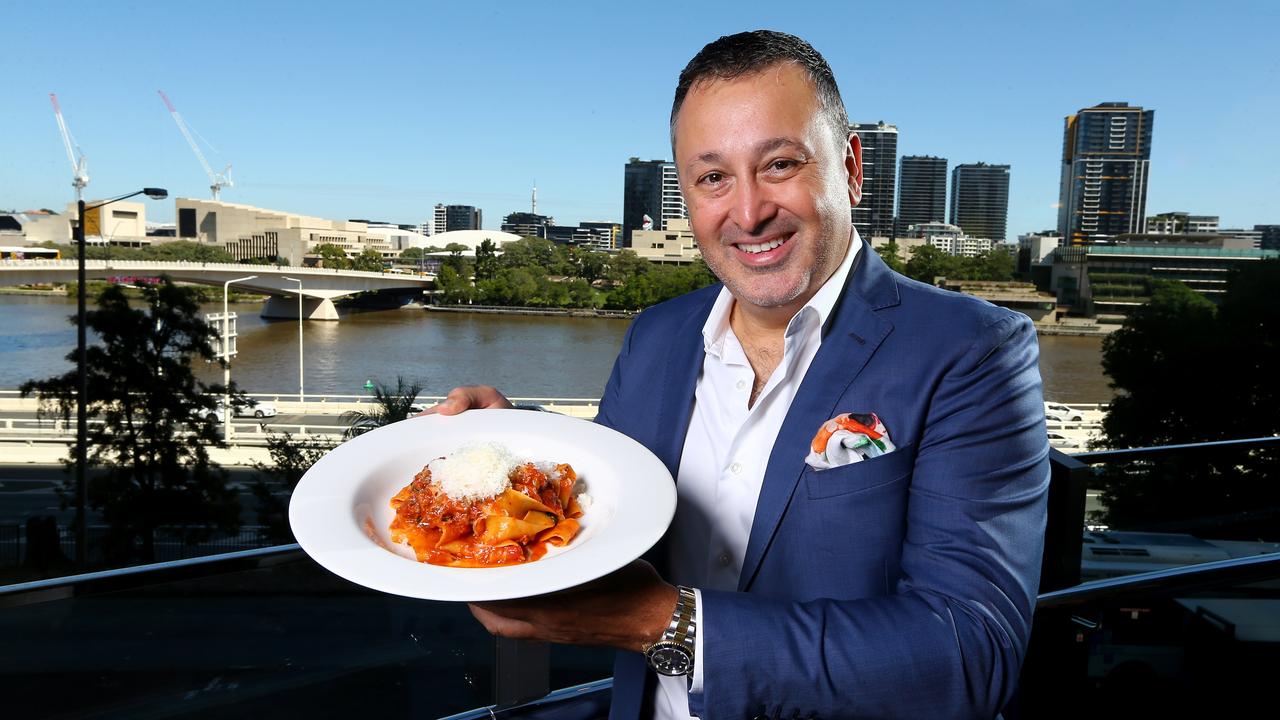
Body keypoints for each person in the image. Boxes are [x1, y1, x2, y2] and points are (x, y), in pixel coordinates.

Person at [429, 30, 1049, 720]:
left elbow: (971, 657)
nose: (749, 212)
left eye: (780, 164)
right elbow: (605, 493)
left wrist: (662, 623)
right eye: (714, 177)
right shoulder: (657, 336)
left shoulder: (975, 350)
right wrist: (512, 453)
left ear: (850, 168)